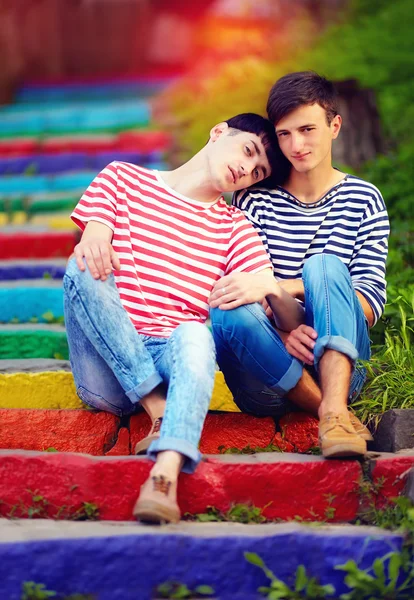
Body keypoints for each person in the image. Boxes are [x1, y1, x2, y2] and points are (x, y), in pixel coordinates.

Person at [63, 113, 304, 524]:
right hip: (105, 366)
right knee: (81, 266)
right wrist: (96, 232)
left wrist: (271, 287)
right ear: (217, 131)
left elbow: (284, 314)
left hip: (171, 356)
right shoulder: (122, 177)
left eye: (257, 170)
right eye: (247, 150)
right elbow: (92, 240)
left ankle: (165, 475)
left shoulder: (235, 226)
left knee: (195, 332)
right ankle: (157, 407)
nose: (246, 169)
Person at [210, 72, 390, 459]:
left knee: (324, 266)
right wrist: (280, 328)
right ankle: (332, 414)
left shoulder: (364, 199)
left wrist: (288, 292)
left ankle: (334, 404)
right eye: (285, 134)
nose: (297, 144)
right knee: (226, 312)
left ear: (334, 125)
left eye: (307, 129)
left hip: (341, 371)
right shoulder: (254, 200)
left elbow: (369, 305)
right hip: (263, 378)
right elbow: (238, 287)